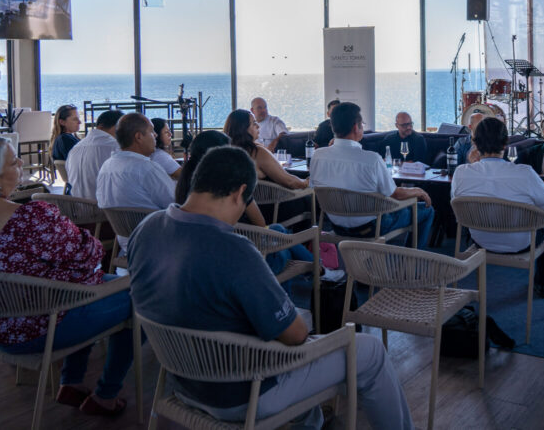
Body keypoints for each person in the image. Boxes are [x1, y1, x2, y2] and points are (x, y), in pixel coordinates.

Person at [128, 145, 413, 429]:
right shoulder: (234, 249)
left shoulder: (146, 230)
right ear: (240, 192)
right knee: (369, 351)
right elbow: (295, 336)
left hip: (183, 383)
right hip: (247, 392)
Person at [0, 135, 133, 416]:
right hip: (39, 326)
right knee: (139, 298)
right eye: (13, 161)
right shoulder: (31, 218)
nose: (21, 163)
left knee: (85, 287)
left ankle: (73, 383)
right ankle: (105, 395)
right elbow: (90, 253)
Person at [451, 117, 544, 298]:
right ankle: (542, 285)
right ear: (505, 143)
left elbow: (458, 211)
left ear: (475, 143)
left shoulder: (461, 173)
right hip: (521, 243)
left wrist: (472, 165)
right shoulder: (524, 173)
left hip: (480, 240)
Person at [309, 102, 434, 250]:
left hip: (335, 225)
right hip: (370, 227)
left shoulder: (317, 156)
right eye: (362, 124)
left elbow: (313, 187)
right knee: (427, 210)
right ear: (356, 127)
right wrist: (418, 191)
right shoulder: (372, 159)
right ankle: (411, 258)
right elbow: (395, 194)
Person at [96, 114, 176, 250]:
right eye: (152, 131)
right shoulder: (147, 168)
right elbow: (174, 204)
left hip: (126, 244)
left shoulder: (106, 167)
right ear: (139, 137)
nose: (155, 135)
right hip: (158, 243)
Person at [224, 109, 309, 192]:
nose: (258, 126)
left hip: (242, 200)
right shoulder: (257, 152)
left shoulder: (225, 152)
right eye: (254, 123)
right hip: (277, 200)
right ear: (243, 129)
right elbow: (289, 182)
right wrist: (306, 182)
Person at [65, 109, 123, 200]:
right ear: (101, 127)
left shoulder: (75, 149)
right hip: (104, 207)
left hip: (76, 205)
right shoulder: (116, 147)